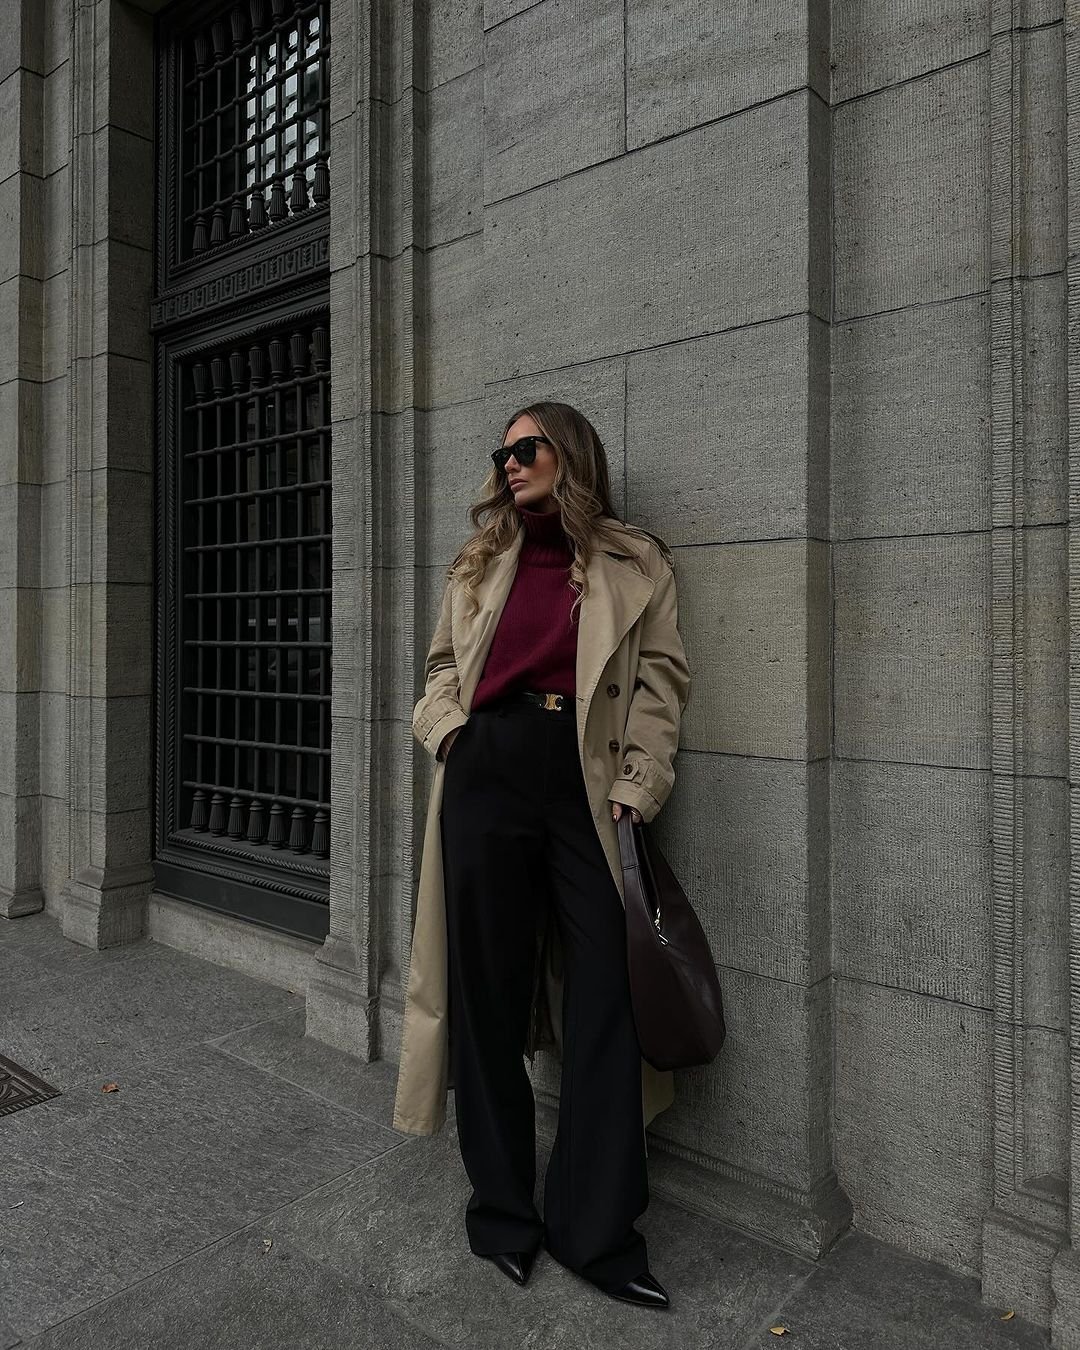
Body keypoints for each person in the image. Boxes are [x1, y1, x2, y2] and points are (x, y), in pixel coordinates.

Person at [391, 401, 691, 1310]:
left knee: (607, 993)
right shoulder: (481, 560)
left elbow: (661, 679)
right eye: (504, 452)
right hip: (485, 776)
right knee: (484, 993)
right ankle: (502, 1214)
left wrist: (638, 785)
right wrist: (450, 735)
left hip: (586, 782)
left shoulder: (632, 561)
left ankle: (597, 1231)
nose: (511, 464)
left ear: (569, 455)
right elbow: (441, 665)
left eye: (528, 449)